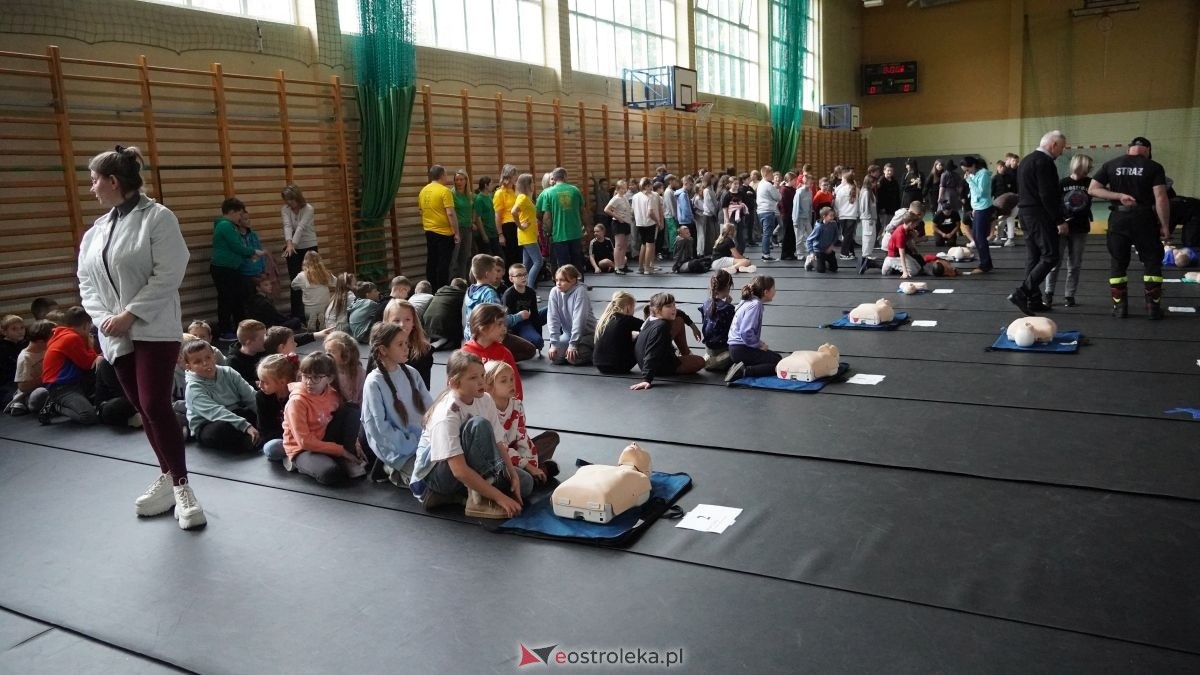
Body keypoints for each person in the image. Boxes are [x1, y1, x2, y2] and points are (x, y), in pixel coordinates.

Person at [77, 146, 202, 528]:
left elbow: (170, 271)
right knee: (143, 409)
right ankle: (166, 477)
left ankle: (182, 487)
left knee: (156, 404)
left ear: (114, 182)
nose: (93, 188)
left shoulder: (158, 218)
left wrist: (130, 314)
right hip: (115, 334)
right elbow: (85, 282)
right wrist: (106, 320)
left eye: (96, 180)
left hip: (153, 329)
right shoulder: (95, 232)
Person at [408, 350, 526, 518]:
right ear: (455, 383)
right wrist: (500, 498)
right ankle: (474, 498)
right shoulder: (446, 413)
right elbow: (459, 471)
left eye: (482, 375)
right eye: (473, 378)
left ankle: (469, 490)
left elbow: (499, 442)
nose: (481, 382)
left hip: (466, 463)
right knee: (478, 425)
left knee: (525, 484)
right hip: (434, 479)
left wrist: (512, 475)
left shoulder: (485, 399)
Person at [1088, 136, 1171, 319]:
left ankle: (1120, 308)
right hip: (1144, 219)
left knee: (1118, 262)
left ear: (1129, 150)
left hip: (1118, 218)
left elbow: (1092, 189)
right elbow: (1160, 198)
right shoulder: (1154, 167)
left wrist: (1118, 195)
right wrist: (1165, 225)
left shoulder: (1111, 164)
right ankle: (1153, 309)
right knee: (1151, 261)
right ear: (1148, 151)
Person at [281, 351, 365, 484]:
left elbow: (345, 423)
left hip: (324, 439)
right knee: (331, 473)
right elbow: (305, 442)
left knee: (352, 409)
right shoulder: (297, 402)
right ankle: (296, 463)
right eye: (305, 376)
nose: (309, 382)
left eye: (316, 377)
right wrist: (341, 451)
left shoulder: (333, 395)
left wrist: (355, 445)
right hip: (303, 449)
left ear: (329, 378)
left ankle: (343, 458)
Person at [361, 322, 431, 481]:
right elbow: (380, 429)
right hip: (400, 451)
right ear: (383, 350)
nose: (406, 348)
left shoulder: (412, 373)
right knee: (431, 480)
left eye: (406, 343)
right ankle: (392, 470)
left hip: (423, 444)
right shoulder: (374, 383)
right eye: (400, 344)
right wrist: (411, 445)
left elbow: (430, 409)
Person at [1009, 131, 1068, 315]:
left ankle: (1033, 300)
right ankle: (1022, 292)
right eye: (1062, 148)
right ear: (1053, 145)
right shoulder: (1045, 162)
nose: (1062, 152)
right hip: (1038, 215)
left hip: (1025, 213)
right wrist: (1059, 220)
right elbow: (1047, 194)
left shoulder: (1026, 160)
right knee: (1051, 255)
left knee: (1033, 257)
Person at [483, 360, 558, 483]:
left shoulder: (517, 404)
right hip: (500, 455)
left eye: (512, 379)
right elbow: (501, 447)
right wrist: (528, 467)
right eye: (504, 381)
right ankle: (538, 473)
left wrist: (530, 462)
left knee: (552, 437)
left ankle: (535, 472)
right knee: (509, 470)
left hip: (517, 451)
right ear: (490, 386)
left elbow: (522, 437)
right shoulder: (487, 411)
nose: (511, 384)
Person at [183, 339, 259, 454]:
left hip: (236, 412)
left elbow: (251, 396)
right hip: (210, 422)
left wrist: (267, 415)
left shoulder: (228, 372)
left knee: (260, 407)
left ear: (214, 356)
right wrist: (246, 426)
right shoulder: (193, 388)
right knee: (218, 431)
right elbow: (216, 412)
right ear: (189, 367)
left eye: (208, 358)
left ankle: (255, 436)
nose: (205, 363)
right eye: (198, 362)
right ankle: (250, 439)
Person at [462, 256, 536, 361]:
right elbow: (501, 320)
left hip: (471, 335)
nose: (497, 274)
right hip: (488, 335)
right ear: (487, 274)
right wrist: (519, 316)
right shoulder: (490, 293)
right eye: (495, 270)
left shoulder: (470, 290)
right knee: (530, 349)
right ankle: (495, 359)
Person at [1044, 153, 1094, 308]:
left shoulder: (1091, 183)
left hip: (1080, 228)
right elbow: (1053, 204)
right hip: (1061, 227)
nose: (1089, 170)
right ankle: (1048, 292)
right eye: (1087, 167)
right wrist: (1058, 222)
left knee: (1075, 263)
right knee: (1054, 262)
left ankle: (1069, 295)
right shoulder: (1062, 183)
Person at [39, 306, 101, 426]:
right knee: (88, 416)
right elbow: (89, 364)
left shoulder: (63, 334)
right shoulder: (71, 338)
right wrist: (91, 346)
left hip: (71, 382)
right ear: (85, 325)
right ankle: (54, 406)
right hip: (61, 387)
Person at [210, 197, 263, 339]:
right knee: (226, 299)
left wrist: (247, 255)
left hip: (230, 267)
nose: (241, 217)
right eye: (239, 214)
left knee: (234, 298)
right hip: (224, 268)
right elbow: (236, 246)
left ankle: (235, 328)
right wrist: (253, 251)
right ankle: (224, 330)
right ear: (232, 212)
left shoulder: (228, 226)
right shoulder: (225, 225)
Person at [631, 293, 706, 390]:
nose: (674, 308)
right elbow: (652, 353)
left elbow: (679, 313)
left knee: (678, 320)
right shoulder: (661, 327)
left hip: (648, 361)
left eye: (674, 305)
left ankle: (686, 353)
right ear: (658, 310)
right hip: (659, 367)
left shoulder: (651, 318)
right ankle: (684, 358)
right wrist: (647, 379)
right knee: (701, 361)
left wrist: (693, 326)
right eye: (669, 306)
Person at [724, 275, 781, 383]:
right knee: (778, 363)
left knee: (776, 357)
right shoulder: (756, 305)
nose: (775, 291)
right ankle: (743, 371)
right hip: (741, 349)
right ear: (765, 292)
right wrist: (759, 345)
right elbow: (746, 332)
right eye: (774, 288)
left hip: (735, 349)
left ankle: (739, 366)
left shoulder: (748, 300)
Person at [419, 165, 460, 291]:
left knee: (432, 260)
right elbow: (450, 213)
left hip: (429, 231)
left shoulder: (423, 191)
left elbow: (421, 211)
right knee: (444, 263)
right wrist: (456, 232)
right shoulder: (444, 191)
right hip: (444, 233)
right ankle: (442, 289)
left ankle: (431, 288)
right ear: (442, 175)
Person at [539, 167, 588, 274]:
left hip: (558, 235)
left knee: (563, 264)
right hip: (575, 233)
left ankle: (565, 287)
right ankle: (579, 285)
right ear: (565, 177)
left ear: (554, 178)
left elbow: (546, 216)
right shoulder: (575, 190)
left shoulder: (548, 193)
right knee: (577, 262)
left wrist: (548, 232)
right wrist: (587, 227)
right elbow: (583, 211)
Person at [281, 185, 319, 321]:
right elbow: (287, 226)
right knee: (295, 280)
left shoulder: (308, 208)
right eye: (287, 199)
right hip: (292, 248)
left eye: (291, 199)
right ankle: (297, 314)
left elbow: (301, 227)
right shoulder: (285, 209)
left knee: (311, 279)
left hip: (308, 246)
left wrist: (292, 244)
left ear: (298, 197)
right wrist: (289, 244)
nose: (289, 202)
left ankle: (313, 312)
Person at [546, 264, 596, 365]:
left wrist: (573, 344)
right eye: (557, 280)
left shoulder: (580, 292)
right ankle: (570, 349)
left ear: (573, 281)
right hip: (568, 334)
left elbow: (579, 320)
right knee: (556, 358)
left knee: (573, 359)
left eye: (562, 280)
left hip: (588, 334)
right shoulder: (554, 292)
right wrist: (554, 343)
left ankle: (596, 351)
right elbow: (552, 318)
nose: (558, 283)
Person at [381, 298, 435, 388]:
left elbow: (423, 389)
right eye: (396, 321)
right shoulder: (379, 349)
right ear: (387, 322)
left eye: (407, 319)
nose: (402, 324)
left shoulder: (424, 352)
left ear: (413, 322)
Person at [256, 353, 297, 462]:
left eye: (265, 382)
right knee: (270, 448)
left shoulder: (297, 396)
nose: (260, 385)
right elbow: (264, 429)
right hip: (280, 439)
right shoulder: (261, 396)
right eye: (259, 380)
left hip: (299, 437)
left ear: (282, 382)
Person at [5, 319, 50, 416]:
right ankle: (23, 403)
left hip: (49, 385)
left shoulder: (46, 349)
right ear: (41, 341)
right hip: (30, 392)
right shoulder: (25, 357)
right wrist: (45, 378)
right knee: (41, 393)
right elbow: (23, 386)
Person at [592, 291, 641, 375]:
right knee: (643, 335)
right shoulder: (626, 319)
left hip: (599, 365)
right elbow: (647, 327)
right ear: (628, 307)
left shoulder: (605, 319)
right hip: (619, 366)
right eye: (633, 308)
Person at [960, 156, 994, 274]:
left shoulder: (983, 174)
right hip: (978, 208)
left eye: (967, 170)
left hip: (984, 208)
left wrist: (969, 180)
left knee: (980, 237)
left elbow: (981, 193)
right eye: (965, 171)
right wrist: (974, 208)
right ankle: (984, 263)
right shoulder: (973, 174)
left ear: (973, 166)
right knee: (976, 236)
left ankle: (985, 265)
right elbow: (974, 194)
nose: (966, 173)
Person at [700, 269, 736, 372]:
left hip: (709, 348)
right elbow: (734, 330)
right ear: (728, 287)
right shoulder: (727, 309)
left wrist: (727, 304)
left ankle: (711, 358)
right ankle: (719, 361)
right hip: (722, 348)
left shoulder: (706, 303)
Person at [511, 173, 543, 289]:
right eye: (532, 182)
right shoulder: (523, 198)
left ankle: (521, 288)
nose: (534, 184)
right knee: (538, 261)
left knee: (527, 264)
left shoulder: (526, 198)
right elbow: (513, 211)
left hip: (530, 234)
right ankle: (529, 288)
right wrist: (520, 226)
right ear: (527, 184)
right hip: (527, 234)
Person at [290, 251, 334, 330]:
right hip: (325, 306)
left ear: (305, 262)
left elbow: (293, 286)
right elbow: (337, 283)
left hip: (310, 308)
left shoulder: (301, 275)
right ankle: (323, 322)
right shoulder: (326, 273)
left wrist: (302, 286)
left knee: (310, 318)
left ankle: (312, 327)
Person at [423, 278, 469, 350]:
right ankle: (443, 341)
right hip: (443, 323)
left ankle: (434, 339)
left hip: (427, 321)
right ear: (464, 288)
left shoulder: (440, 292)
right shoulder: (462, 295)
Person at [450, 169, 479, 281]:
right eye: (457, 179)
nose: (459, 182)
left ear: (466, 181)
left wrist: (472, 221)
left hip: (467, 229)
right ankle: (452, 283)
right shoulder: (451, 194)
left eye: (461, 179)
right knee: (454, 258)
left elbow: (473, 209)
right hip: (456, 229)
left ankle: (462, 282)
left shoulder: (470, 196)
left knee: (465, 257)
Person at [323, 330, 365, 406]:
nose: (327, 355)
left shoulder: (359, 373)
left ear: (346, 354)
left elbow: (363, 400)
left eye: (332, 352)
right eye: (326, 351)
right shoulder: (325, 373)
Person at [632, 177, 663, 275]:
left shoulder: (635, 196)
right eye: (650, 185)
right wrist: (658, 221)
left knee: (643, 244)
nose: (651, 187)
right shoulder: (648, 197)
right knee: (650, 244)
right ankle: (647, 267)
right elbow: (650, 213)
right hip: (649, 222)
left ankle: (641, 266)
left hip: (640, 222)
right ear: (647, 185)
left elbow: (632, 211)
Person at [604, 178, 635, 274]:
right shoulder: (616, 198)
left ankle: (622, 265)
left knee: (625, 245)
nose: (624, 190)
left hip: (626, 223)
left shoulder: (624, 197)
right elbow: (607, 209)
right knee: (619, 245)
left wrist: (631, 215)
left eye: (625, 188)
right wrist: (617, 217)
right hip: (618, 223)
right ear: (617, 189)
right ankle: (617, 267)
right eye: (621, 188)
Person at [880, 213, 925, 278]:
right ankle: (889, 264)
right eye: (915, 224)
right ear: (910, 223)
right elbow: (902, 254)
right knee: (913, 272)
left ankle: (894, 266)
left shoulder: (908, 229)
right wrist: (905, 272)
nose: (916, 225)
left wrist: (915, 235)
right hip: (893, 256)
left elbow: (915, 240)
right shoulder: (900, 234)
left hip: (899, 254)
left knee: (918, 268)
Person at [493, 164, 520, 269]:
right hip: (507, 226)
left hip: (517, 224)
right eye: (514, 175)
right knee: (510, 255)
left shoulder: (514, 191)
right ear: (508, 176)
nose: (516, 177)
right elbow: (497, 215)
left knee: (518, 254)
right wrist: (500, 234)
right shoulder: (499, 193)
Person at [226, 319, 267, 387]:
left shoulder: (265, 351)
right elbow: (235, 385)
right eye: (262, 338)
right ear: (249, 342)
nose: (266, 340)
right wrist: (255, 384)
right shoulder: (233, 362)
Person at [833, 169, 860, 260]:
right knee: (848, 235)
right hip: (851, 216)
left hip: (842, 215)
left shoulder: (841, 190)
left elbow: (836, 203)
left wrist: (837, 212)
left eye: (843, 179)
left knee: (847, 235)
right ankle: (844, 253)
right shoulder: (855, 189)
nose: (841, 181)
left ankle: (848, 252)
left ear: (845, 180)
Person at [806, 206, 842, 273]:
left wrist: (831, 246)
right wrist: (811, 252)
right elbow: (809, 240)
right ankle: (812, 261)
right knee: (821, 270)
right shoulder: (819, 227)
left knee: (834, 269)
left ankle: (825, 263)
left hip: (828, 249)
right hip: (819, 250)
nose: (832, 217)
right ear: (824, 216)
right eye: (830, 216)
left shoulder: (834, 224)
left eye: (833, 216)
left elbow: (836, 236)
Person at [755, 171, 781, 261]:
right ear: (766, 174)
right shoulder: (768, 185)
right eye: (771, 174)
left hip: (761, 211)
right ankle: (766, 255)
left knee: (765, 233)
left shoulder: (760, 184)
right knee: (767, 234)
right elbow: (778, 197)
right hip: (768, 211)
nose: (772, 176)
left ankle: (765, 253)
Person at [474, 176, 501, 256]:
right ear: (486, 185)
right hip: (486, 233)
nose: (492, 186)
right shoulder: (479, 199)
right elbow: (478, 218)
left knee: (498, 256)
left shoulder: (489, 197)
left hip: (493, 232)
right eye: (491, 184)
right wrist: (484, 235)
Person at [859, 175, 879, 258]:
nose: (875, 184)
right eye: (874, 182)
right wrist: (869, 217)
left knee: (871, 237)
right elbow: (865, 207)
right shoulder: (866, 192)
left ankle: (868, 254)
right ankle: (866, 254)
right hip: (868, 218)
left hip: (871, 218)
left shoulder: (869, 191)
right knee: (868, 236)